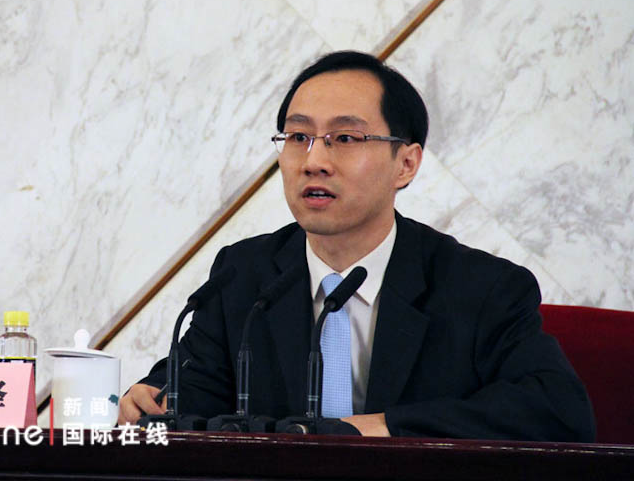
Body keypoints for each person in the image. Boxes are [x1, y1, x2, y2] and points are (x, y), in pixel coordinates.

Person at [118, 51, 595, 440]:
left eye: (344, 137)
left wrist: (380, 428)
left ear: (405, 164)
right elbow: (190, 392)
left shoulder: (481, 287)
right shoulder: (245, 274)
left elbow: (558, 410)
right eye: (298, 136)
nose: (314, 160)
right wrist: (153, 398)